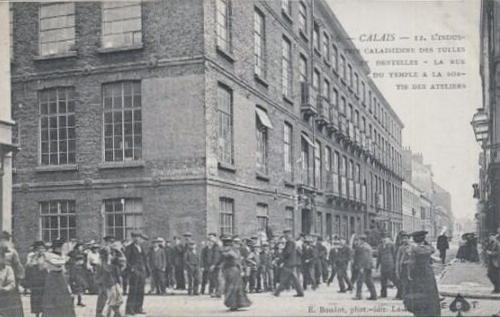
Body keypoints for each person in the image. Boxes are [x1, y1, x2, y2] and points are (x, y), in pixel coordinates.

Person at [403, 230, 441, 317]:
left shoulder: (413, 249)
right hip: (428, 273)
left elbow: (411, 263)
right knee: (431, 293)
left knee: (418, 293)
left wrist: (408, 274)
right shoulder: (428, 248)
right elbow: (432, 249)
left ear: (415, 239)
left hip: (417, 274)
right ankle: (432, 312)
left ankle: (420, 313)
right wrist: (425, 242)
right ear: (423, 239)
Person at [42, 239, 76, 317]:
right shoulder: (48, 255)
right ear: (57, 247)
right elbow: (57, 263)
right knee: (52, 298)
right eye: (62, 247)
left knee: (64, 298)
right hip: (53, 277)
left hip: (61, 277)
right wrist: (65, 257)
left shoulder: (62, 256)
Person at [220, 236, 251, 311]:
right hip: (229, 270)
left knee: (238, 287)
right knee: (231, 287)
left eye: (238, 243)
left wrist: (241, 269)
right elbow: (225, 256)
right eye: (235, 243)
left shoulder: (236, 251)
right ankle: (232, 304)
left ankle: (239, 303)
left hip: (236, 270)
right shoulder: (227, 250)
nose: (237, 244)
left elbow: (238, 261)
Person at [273, 229, 304, 297]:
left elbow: (287, 252)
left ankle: (277, 292)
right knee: (295, 279)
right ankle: (300, 292)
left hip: (289, 263)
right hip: (292, 263)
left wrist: (280, 257)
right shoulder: (292, 241)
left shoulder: (289, 242)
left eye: (285, 234)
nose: (285, 236)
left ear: (288, 234)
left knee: (284, 278)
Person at [124, 232, 149, 316]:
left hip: (142, 271)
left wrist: (147, 270)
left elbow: (145, 260)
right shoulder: (129, 248)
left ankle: (138, 308)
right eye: (135, 237)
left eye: (138, 237)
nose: (137, 239)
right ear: (133, 238)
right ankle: (130, 309)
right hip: (134, 272)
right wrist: (131, 269)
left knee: (141, 290)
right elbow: (126, 260)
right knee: (133, 290)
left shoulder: (141, 247)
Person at [0, 246, 24, 317]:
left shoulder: (8, 269)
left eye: (1, 257)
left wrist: (4, 289)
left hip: (3, 295)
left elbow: (12, 283)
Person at [25, 241, 47, 317]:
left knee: (44, 298)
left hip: (44, 280)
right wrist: (35, 258)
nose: (41, 250)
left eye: (43, 248)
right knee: (36, 299)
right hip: (35, 281)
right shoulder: (31, 256)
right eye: (39, 248)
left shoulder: (46, 256)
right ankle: (37, 314)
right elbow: (28, 266)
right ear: (36, 249)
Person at [353, 234, 377, 300]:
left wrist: (361, 267)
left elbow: (363, 258)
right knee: (369, 281)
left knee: (359, 281)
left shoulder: (362, 247)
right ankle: (374, 295)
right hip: (368, 266)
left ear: (361, 240)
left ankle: (358, 295)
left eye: (359, 240)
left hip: (364, 266)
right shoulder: (368, 246)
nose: (358, 241)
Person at [395, 231, 411, 299]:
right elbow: (398, 259)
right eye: (403, 238)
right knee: (403, 282)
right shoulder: (400, 247)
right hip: (403, 267)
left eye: (406, 238)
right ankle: (403, 296)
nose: (404, 240)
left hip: (410, 267)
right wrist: (397, 269)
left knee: (409, 283)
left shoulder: (412, 247)